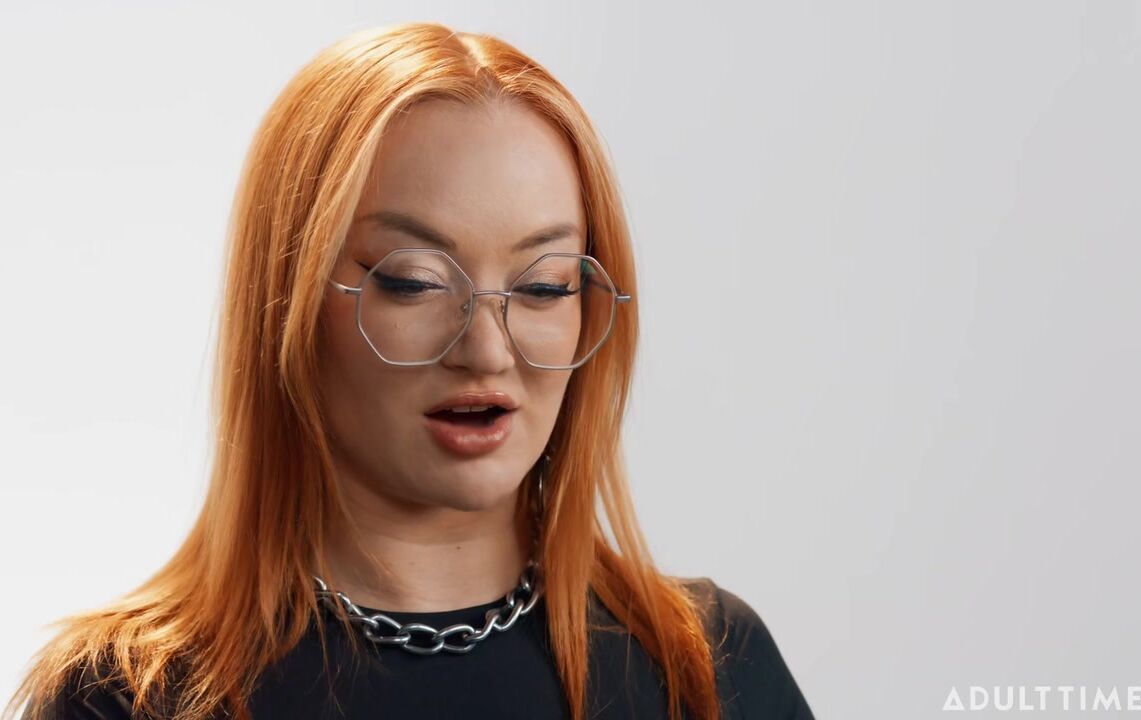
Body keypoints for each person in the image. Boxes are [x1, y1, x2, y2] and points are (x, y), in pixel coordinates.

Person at [5, 22, 815, 720]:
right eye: (414, 282)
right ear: (286, 301)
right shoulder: (124, 697)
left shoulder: (707, 666)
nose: (488, 351)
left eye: (543, 287)